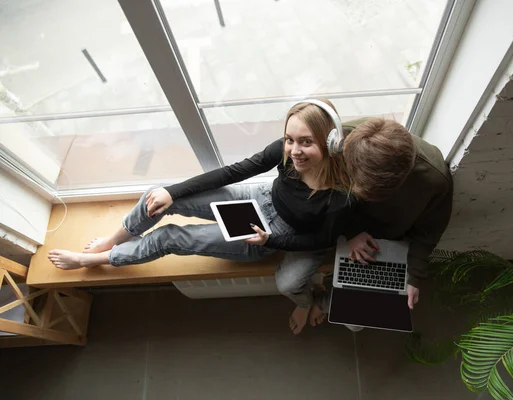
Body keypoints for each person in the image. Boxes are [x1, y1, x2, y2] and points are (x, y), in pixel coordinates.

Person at [48, 99, 355, 335]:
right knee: (158, 196)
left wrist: (271, 240)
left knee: (171, 238)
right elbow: (234, 172)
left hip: (275, 233)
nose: (294, 150)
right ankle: (114, 240)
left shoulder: (339, 195)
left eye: (306, 142)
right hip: (261, 198)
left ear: (330, 143)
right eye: (290, 139)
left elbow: (322, 239)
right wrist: (174, 192)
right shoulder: (286, 152)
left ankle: (92, 261)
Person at [307, 117, 453, 328]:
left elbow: (428, 232)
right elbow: (316, 189)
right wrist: (352, 231)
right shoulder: (338, 142)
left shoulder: (435, 180)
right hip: (345, 226)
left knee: (355, 323)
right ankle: (326, 298)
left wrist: (414, 276)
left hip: (389, 240)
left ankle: (326, 301)